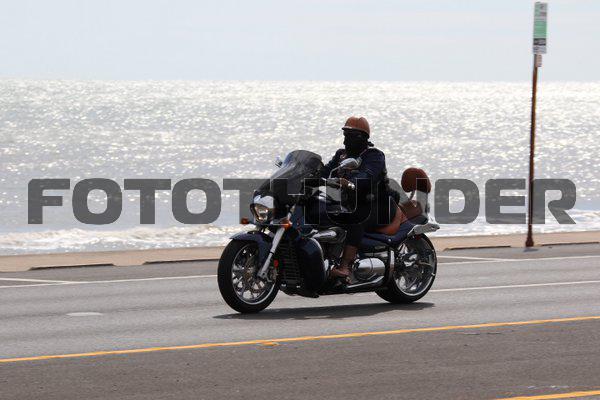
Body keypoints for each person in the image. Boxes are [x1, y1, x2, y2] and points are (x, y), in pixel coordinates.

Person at [320, 116, 396, 281]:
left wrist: (350, 182)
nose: (346, 140)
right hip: (351, 203)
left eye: (350, 136)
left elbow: (368, 175)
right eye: (345, 135)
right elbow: (326, 170)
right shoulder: (341, 155)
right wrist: (307, 175)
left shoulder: (374, 156)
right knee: (321, 209)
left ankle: (345, 266)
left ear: (362, 137)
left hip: (378, 205)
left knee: (355, 219)